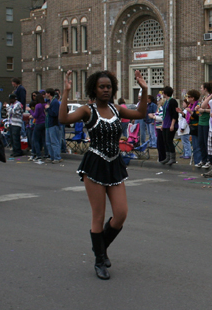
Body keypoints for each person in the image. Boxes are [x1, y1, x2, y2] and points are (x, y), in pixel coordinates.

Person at [58, 69, 148, 280]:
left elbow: (141, 114)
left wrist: (144, 90)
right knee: (98, 216)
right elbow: (63, 119)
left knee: (121, 213)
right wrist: (66, 92)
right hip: (95, 165)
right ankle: (100, 260)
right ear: (94, 89)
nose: (106, 90)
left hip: (114, 164)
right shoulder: (87, 111)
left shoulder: (117, 109)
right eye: (102, 87)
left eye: (108, 87)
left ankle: (100, 248)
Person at [195, 81, 212, 168]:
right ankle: (203, 159)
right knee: (201, 142)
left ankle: (209, 160)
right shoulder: (204, 97)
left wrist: (203, 110)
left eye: (201, 88)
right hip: (201, 121)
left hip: (207, 122)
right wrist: (198, 107)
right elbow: (201, 106)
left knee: (207, 142)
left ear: (206, 89)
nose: (201, 90)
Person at [159, 87, 179, 165]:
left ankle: (172, 158)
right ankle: (167, 157)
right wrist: (162, 125)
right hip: (165, 124)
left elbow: (174, 114)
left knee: (169, 140)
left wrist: (172, 124)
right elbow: (164, 114)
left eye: (163, 92)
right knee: (165, 141)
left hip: (171, 123)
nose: (162, 94)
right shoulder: (166, 102)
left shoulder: (172, 101)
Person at [45, 88, 62, 163]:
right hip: (48, 124)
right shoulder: (50, 101)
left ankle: (57, 157)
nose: (45, 94)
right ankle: (51, 156)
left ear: (49, 94)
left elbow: (55, 113)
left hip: (53, 124)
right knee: (48, 142)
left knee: (54, 141)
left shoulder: (55, 102)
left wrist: (48, 109)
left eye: (46, 93)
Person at [5, 93, 25, 158]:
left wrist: (7, 106)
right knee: (12, 138)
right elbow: (8, 114)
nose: (10, 100)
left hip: (17, 123)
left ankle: (18, 151)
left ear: (14, 99)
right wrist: (8, 124)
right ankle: (14, 150)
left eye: (10, 99)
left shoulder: (18, 104)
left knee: (15, 138)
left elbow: (13, 111)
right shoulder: (12, 105)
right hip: (11, 123)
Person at [31, 91, 47, 163]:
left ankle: (38, 154)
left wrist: (31, 111)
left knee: (36, 139)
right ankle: (46, 154)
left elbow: (35, 115)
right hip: (44, 123)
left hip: (38, 123)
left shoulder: (38, 106)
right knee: (44, 139)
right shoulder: (45, 105)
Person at [186, 90, 201, 164]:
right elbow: (189, 118)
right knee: (194, 146)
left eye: (189, 96)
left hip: (197, 128)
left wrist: (191, 112)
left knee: (197, 147)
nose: (187, 98)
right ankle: (196, 161)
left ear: (193, 98)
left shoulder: (197, 105)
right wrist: (182, 113)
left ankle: (198, 162)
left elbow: (198, 117)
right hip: (192, 128)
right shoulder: (190, 106)